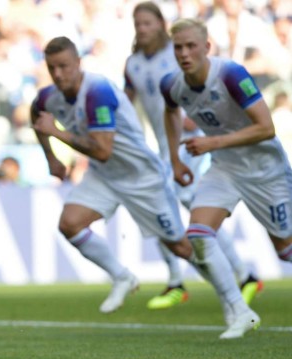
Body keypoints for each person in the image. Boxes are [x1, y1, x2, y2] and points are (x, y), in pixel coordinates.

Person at [31, 36, 214, 326]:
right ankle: (122, 276)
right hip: (105, 176)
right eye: (52, 68)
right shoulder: (47, 97)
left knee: (180, 246)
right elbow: (37, 117)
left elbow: (102, 150)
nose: (58, 74)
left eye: (64, 66)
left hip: (142, 176)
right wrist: (51, 158)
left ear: (78, 63)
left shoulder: (98, 91)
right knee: (70, 223)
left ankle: (234, 290)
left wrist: (57, 133)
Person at [124, 1, 262, 310]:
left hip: (191, 142)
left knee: (182, 206)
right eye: (138, 24)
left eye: (147, 23)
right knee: (175, 208)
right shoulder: (132, 64)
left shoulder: (175, 56)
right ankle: (241, 275)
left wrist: (192, 114)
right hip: (164, 147)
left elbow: (197, 85)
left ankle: (190, 280)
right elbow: (126, 103)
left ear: (160, 23)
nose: (142, 29)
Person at [160, 18, 291, 338]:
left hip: (265, 169)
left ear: (207, 47)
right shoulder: (172, 84)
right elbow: (170, 110)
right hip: (224, 167)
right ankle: (239, 311)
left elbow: (266, 128)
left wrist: (211, 142)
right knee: (200, 233)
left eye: (191, 46)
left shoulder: (231, 74)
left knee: (285, 249)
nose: (184, 53)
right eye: (178, 47)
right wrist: (176, 160)